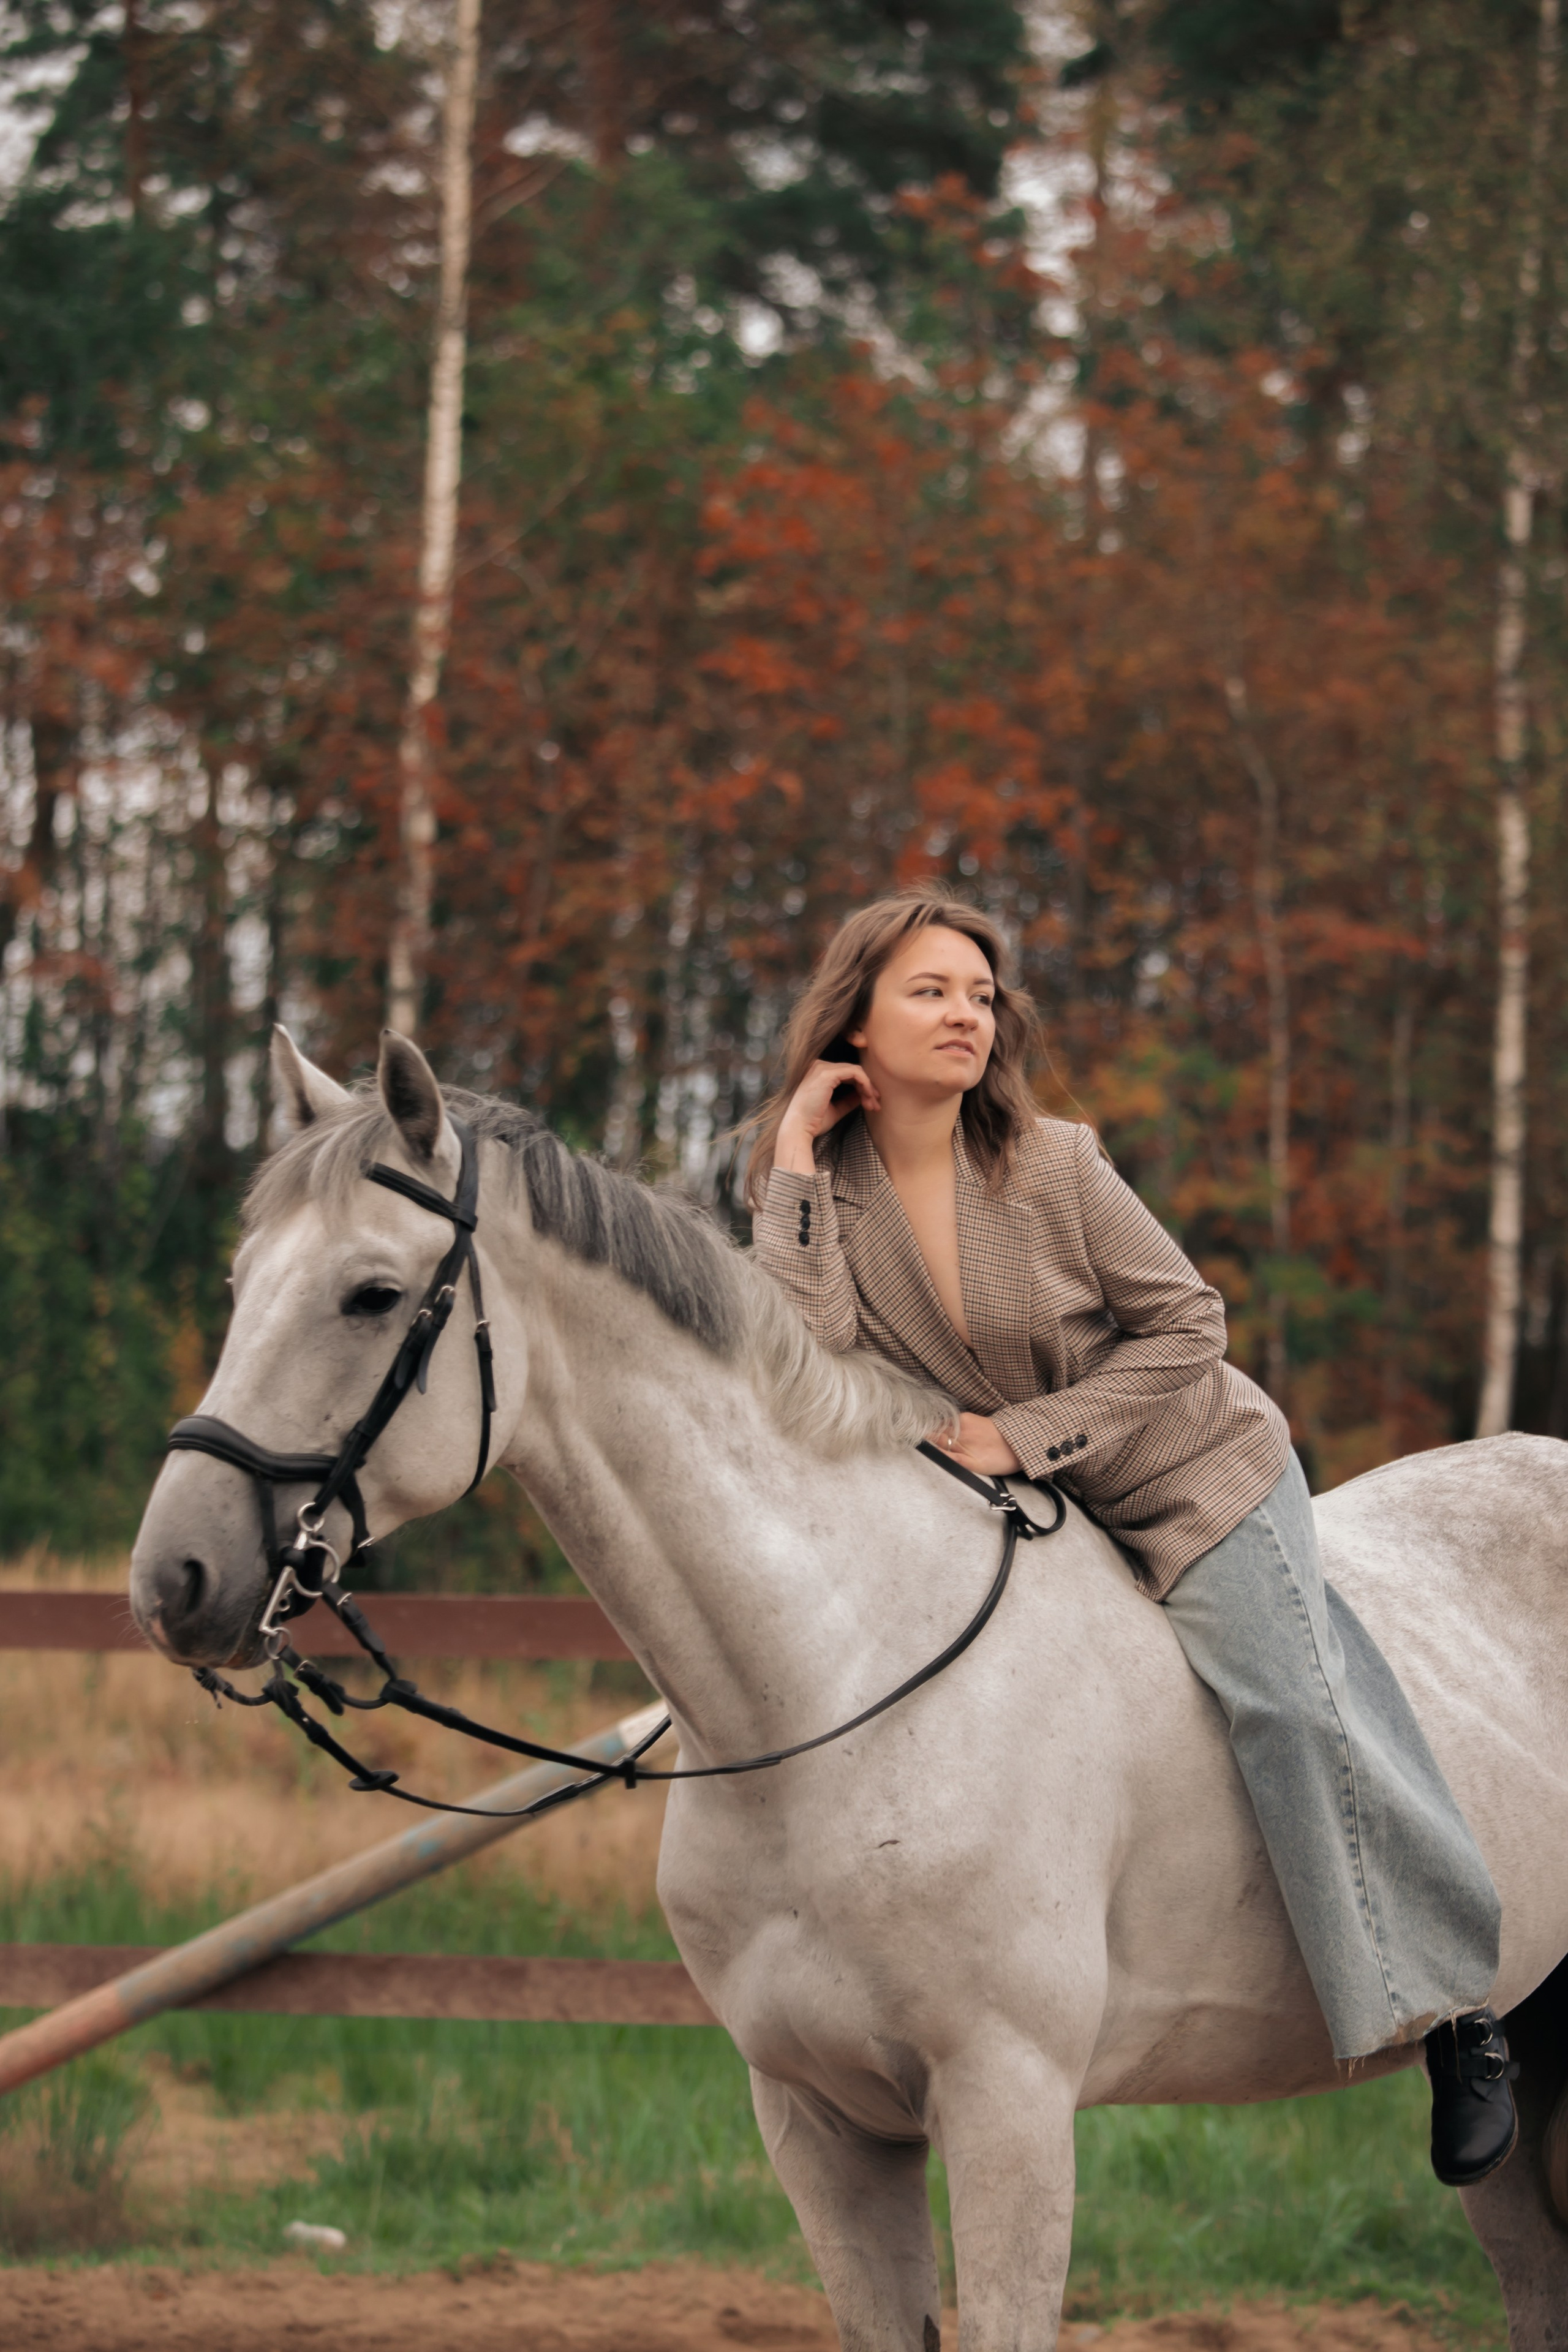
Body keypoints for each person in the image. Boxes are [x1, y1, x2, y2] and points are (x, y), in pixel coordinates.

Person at [748, 887, 1514, 2188]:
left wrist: (1023, 1433)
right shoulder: (838, 1194)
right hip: (1026, 1518)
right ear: (852, 1024)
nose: (963, 1016)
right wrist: (789, 1159)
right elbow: (798, 1348)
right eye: (929, 991)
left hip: (1185, 1474)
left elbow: (1189, 1329)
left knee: (1289, 1707)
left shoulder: (1054, 1164)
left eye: (980, 995)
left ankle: (1456, 2015)